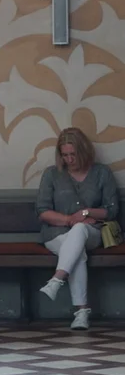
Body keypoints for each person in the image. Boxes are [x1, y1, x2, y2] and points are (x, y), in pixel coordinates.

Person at [36, 127, 119, 331]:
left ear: (83, 151)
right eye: (65, 155)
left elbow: (111, 210)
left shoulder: (101, 172)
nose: (69, 160)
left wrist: (85, 213)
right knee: (76, 249)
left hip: (93, 232)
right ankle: (81, 313)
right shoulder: (51, 174)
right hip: (55, 234)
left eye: (73, 154)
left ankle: (57, 280)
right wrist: (68, 220)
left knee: (80, 231)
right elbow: (42, 211)